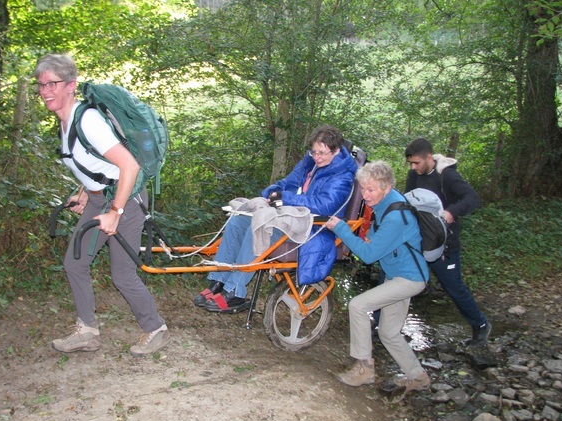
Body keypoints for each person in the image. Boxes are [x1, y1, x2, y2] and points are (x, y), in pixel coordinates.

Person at [35, 53, 170, 357]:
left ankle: (155, 328)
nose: (45, 91)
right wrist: (83, 192)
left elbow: (129, 166)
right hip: (100, 200)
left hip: (126, 202)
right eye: (41, 86)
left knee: (122, 274)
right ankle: (87, 331)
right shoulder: (66, 122)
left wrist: (115, 212)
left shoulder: (88, 120)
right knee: (75, 262)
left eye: (52, 84)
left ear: (71, 85)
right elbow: (96, 165)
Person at [194, 125, 357, 313]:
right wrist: (272, 192)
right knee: (239, 220)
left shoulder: (343, 176)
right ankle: (219, 281)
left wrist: (286, 198)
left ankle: (235, 291)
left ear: (336, 151)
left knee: (260, 225)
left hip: (314, 227)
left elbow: (324, 205)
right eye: (314, 152)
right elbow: (288, 182)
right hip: (289, 216)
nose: (317, 157)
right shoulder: (310, 162)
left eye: (322, 153)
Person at [326, 162, 431, 395]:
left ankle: (364, 369)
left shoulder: (396, 216)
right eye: (363, 189)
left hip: (409, 279)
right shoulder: (386, 202)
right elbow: (373, 238)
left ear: (386, 187)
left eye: (371, 189)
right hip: (397, 275)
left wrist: (342, 230)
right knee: (388, 333)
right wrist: (368, 240)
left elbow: (368, 255)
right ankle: (419, 377)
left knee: (358, 306)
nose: (365, 195)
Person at [404, 137, 491, 347]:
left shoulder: (448, 176)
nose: (414, 167)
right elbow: (409, 202)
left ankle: (480, 325)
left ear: (428, 157)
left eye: (417, 163)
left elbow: (472, 199)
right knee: (399, 280)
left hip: (444, 246)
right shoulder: (413, 176)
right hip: (419, 242)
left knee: (454, 288)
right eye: (411, 164)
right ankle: (382, 326)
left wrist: (452, 211)